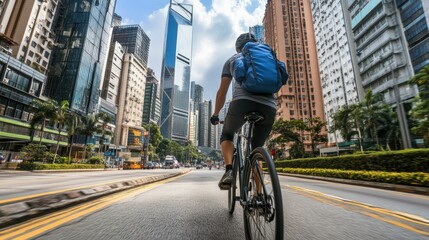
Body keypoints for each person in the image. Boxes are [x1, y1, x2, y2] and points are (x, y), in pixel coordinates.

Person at [210, 33, 277, 190]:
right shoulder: (268, 56)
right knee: (256, 150)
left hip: (242, 103)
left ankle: (228, 171)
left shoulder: (232, 60)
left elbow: (222, 92)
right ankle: (260, 198)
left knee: (226, 134)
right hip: (269, 106)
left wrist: (215, 114)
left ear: (238, 48)